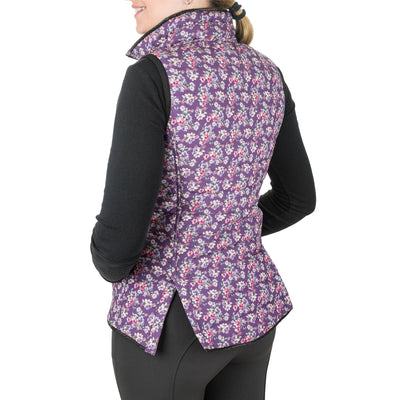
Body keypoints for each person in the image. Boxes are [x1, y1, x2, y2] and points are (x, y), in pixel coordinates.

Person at [90, 1, 316, 399]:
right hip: (251, 308)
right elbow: (298, 198)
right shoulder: (266, 73)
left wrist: (108, 260)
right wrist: (225, 233)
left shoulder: (155, 74)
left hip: (168, 319)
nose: (133, 0)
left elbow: (118, 242)